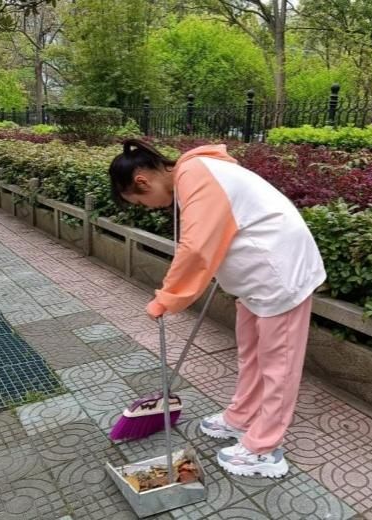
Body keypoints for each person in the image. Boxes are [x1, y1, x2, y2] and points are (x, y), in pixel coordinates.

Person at [108, 139, 326, 478]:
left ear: (142, 181)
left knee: (278, 366)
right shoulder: (195, 173)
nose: (147, 208)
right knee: (250, 354)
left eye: (139, 201)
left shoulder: (196, 174)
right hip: (256, 278)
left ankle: (264, 449)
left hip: (279, 276)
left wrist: (167, 298)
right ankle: (241, 417)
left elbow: (196, 248)